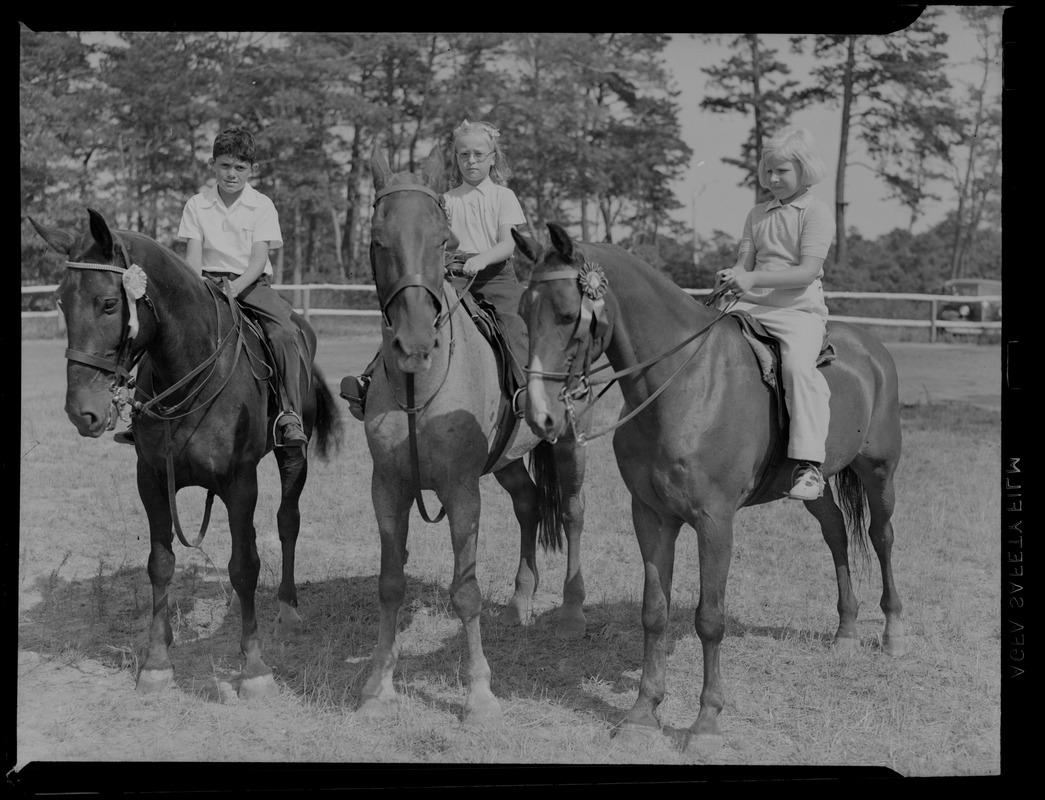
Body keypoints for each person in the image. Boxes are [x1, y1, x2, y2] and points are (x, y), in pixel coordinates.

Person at [116, 126, 308, 447]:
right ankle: (143, 414)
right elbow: (193, 259)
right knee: (161, 329)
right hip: (204, 284)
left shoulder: (262, 206)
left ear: (252, 170)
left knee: (284, 332)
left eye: (240, 168)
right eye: (225, 166)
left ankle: (288, 412)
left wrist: (233, 289)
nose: (231, 174)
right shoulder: (197, 204)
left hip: (249, 284)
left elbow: (258, 260)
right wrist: (196, 292)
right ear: (212, 164)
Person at [344, 119, 529, 421]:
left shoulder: (502, 196)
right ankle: (371, 377)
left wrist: (482, 258)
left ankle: (522, 388)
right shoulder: (444, 200)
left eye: (479, 154)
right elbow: (439, 239)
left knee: (513, 324)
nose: (471, 161)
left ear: (493, 157)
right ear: (455, 158)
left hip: (495, 278)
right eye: (463, 154)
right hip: (454, 278)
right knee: (416, 316)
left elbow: (508, 244)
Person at [715, 127, 836, 501]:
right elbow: (744, 264)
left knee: (798, 368)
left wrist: (750, 278)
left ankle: (810, 465)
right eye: (768, 171)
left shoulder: (816, 214)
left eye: (781, 171)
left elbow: (806, 271)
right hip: (751, 306)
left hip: (797, 309)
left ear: (804, 169)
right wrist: (733, 276)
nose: (773, 179)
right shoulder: (757, 213)